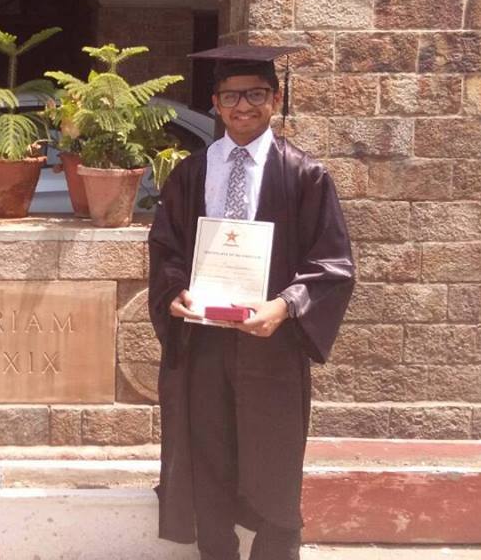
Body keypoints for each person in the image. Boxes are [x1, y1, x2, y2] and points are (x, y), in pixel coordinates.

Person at [148, 45, 355, 560]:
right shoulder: (191, 173)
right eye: (231, 96)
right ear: (216, 103)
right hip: (204, 341)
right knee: (207, 453)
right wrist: (174, 292)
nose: (243, 106)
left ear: (276, 99)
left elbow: (331, 262)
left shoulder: (305, 175)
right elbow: (166, 247)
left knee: (275, 456)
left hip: (272, 343)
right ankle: (216, 551)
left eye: (256, 94)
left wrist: (284, 306)